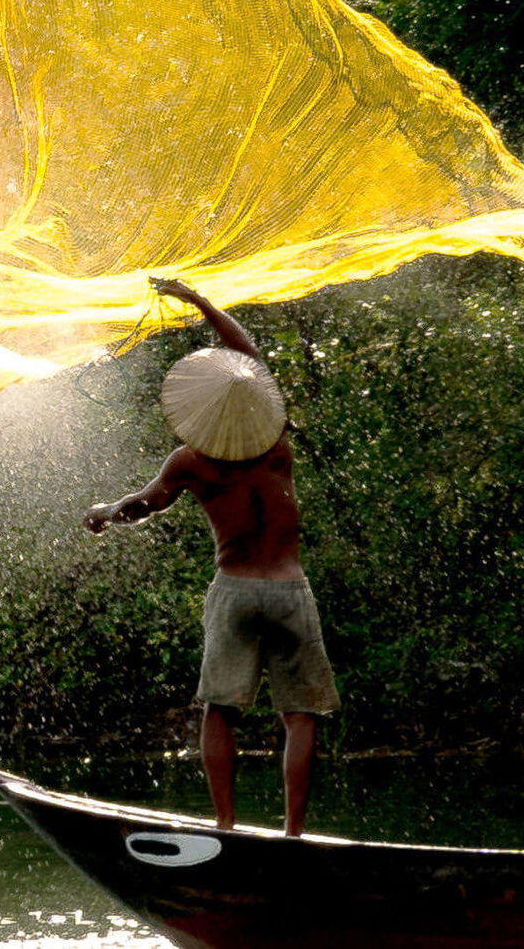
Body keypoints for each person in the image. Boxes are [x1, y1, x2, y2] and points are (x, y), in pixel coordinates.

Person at [83, 276, 336, 834]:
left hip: (236, 590)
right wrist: (198, 301)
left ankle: (225, 825)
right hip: (290, 589)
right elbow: (248, 357)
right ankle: (293, 833)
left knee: (219, 710)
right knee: (300, 716)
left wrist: (106, 510)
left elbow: (143, 507)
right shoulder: (276, 443)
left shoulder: (190, 461)